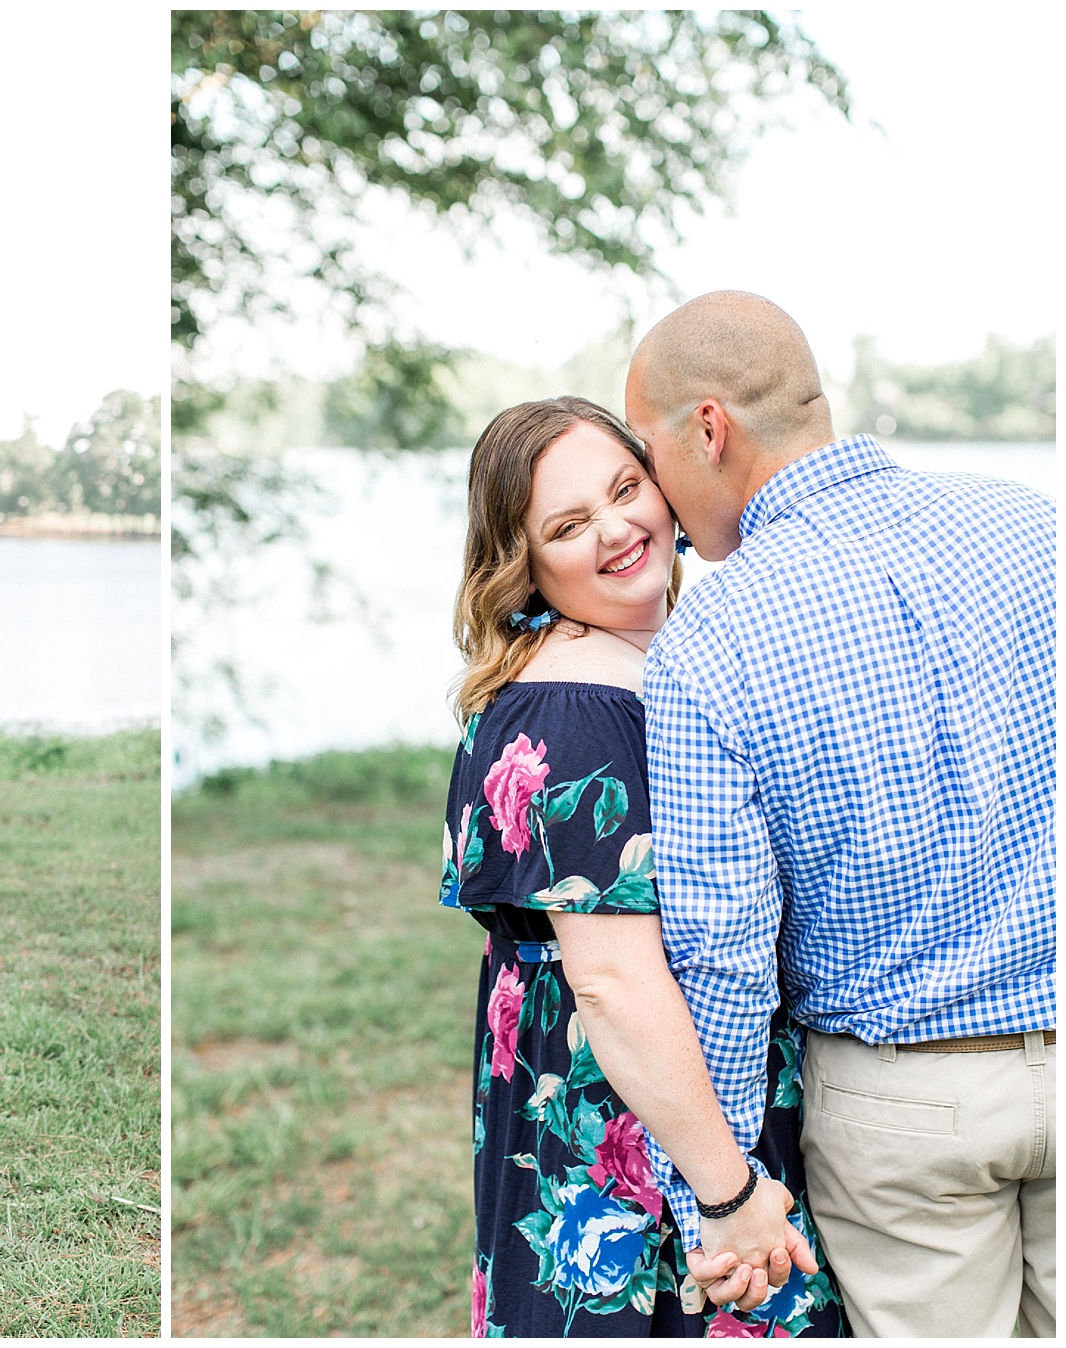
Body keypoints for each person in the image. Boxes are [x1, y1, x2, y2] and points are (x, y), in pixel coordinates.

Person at [625, 292, 1055, 1337]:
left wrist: (718, 1201)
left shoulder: (710, 639)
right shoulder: (1036, 526)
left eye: (648, 453)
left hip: (903, 1109)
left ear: (710, 429)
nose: (654, 497)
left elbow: (722, 952)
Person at [440, 396, 845, 1336]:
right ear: (525, 563)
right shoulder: (573, 712)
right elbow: (615, 984)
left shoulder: (643, 666)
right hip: (637, 1127)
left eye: (627, 489)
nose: (619, 531)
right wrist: (727, 1193)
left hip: (677, 1103)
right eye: (569, 526)